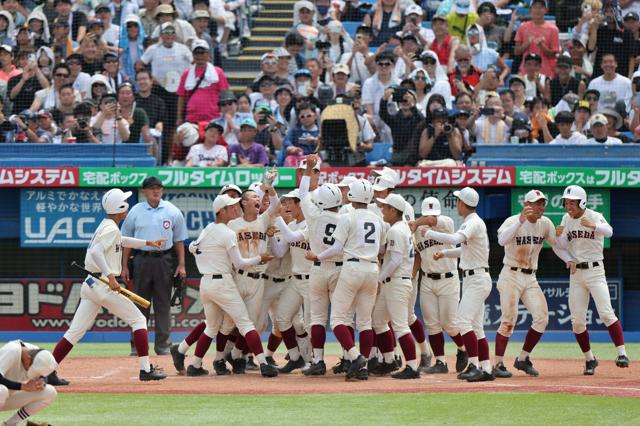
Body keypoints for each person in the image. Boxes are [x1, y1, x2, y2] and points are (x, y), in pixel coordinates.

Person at [50, 188, 167, 385]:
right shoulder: (111, 228)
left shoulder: (107, 225)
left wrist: (147, 242)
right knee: (139, 320)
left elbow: (122, 241)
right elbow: (96, 252)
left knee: (75, 332)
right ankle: (145, 370)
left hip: (90, 285)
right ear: (121, 208)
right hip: (102, 284)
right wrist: (111, 277)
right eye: (125, 202)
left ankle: (48, 371)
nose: (127, 205)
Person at [183, 194, 279, 378]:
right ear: (222, 211)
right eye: (231, 206)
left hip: (206, 282)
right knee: (245, 323)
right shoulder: (228, 232)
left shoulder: (209, 229)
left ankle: (195, 365)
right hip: (225, 282)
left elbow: (192, 247)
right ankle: (264, 363)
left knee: (212, 327)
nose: (235, 208)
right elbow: (241, 262)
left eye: (235, 205)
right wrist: (260, 258)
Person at [307, 179, 386, 382]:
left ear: (352, 196)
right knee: (365, 322)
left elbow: (336, 248)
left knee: (337, 320)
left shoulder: (347, 217)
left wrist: (317, 256)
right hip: (373, 268)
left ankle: (355, 357)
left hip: (351, 267)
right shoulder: (378, 219)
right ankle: (363, 367)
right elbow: (382, 247)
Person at [492, 190, 572, 378]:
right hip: (511, 274)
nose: (540, 207)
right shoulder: (513, 221)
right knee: (508, 321)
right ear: (526, 205)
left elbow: (556, 245)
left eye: (543, 204)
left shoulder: (545, 224)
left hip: (530, 277)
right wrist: (519, 221)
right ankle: (497, 364)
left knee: (542, 318)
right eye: (537, 203)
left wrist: (568, 258)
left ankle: (523, 358)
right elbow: (501, 240)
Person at [555, 185, 629, 375]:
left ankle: (622, 353)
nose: (568, 206)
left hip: (595, 271)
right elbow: (562, 245)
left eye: (572, 202)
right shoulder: (566, 219)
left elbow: (610, 231)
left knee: (605, 313)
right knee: (577, 322)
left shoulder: (594, 215)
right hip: (576, 274)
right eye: (566, 202)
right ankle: (590, 359)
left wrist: (594, 226)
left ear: (582, 202)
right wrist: (559, 236)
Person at [425, 187, 494, 382]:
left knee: (463, 321)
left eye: (458, 201)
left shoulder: (472, 222)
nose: (457, 204)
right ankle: (487, 369)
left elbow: (455, 239)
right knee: (476, 327)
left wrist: (431, 233)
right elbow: (464, 249)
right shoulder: (472, 222)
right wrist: (445, 253)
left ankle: (474, 364)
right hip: (476, 277)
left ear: (463, 204)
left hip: (477, 278)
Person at [121, 176, 188, 356]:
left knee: (163, 304)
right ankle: (137, 347)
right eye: (151, 188)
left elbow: (179, 240)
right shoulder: (135, 211)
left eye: (158, 187)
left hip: (164, 260)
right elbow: (126, 241)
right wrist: (124, 266)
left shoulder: (172, 211)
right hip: (141, 259)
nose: (156, 190)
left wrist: (181, 264)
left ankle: (163, 346)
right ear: (144, 191)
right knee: (139, 305)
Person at [411, 198, 468, 375]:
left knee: (449, 324)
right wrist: (411, 276)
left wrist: (415, 222)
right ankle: (441, 362)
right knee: (433, 325)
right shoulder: (417, 233)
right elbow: (418, 256)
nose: (431, 217)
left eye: (433, 214)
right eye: (427, 214)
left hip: (448, 279)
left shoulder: (447, 222)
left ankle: (462, 348)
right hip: (427, 280)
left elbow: (430, 221)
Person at [369, 193, 420, 380]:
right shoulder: (401, 228)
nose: (382, 209)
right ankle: (389, 360)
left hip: (397, 281)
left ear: (393, 210)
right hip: (396, 282)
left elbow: (396, 260)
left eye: (385, 207)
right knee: (378, 320)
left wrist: (379, 279)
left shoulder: (396, 230)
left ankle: (412, 366)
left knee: (400, 326)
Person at [0, 341, 57, 426]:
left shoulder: (40, 355)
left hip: (5, 399)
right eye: (33, 371)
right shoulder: (12, 350)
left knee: (50, 392)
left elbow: (44, 375)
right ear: (28, 358)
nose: (35, 375)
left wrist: (42, 382)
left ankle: (10, 424)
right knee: (2, 390)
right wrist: (22, 386)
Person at [176, 39, 230, 124]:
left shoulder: (218, 72)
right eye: (196, 53)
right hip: (192, 119)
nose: (199, 56)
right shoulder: (186, 74)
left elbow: (226, 95)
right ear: (193, 55)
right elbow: (181, 97)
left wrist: (227, 115)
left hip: (214, 119)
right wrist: (179, 117)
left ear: (208, 54)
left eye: (202, 52)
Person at [514, 0, 560, 78]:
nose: (538, 10)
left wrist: (541, 45)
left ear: (546, 10)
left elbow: (553, 55)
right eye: (535, 7)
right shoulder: (523, 27)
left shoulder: (553, 29)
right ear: (530, 9)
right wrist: (527, 43)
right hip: (525, 72)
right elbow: (516, 52)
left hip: (546, 72)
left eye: (541, 7)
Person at [380, 86, 422, 166]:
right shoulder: (395, 119)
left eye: (407, 99)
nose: (405, 102)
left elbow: (421, 120)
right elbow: (383, 114)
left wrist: (412, 105)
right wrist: (384, 99)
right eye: (402, 100)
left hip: (414, 158)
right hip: (398, 157)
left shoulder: (417, 117)